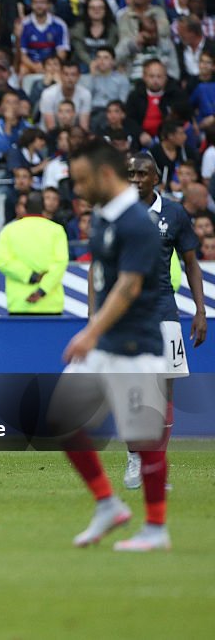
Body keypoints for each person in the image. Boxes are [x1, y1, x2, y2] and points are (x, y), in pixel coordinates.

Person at [50, 139, 171, 552]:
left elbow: (129, 286)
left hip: (136, 346)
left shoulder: (137, 222)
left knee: (144, 440)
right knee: (61, 417)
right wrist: (94, 328)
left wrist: (91, 331)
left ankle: (156, 528)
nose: (77, 189)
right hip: (104, 343)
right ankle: (107, 504)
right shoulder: (101, 216)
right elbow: (102, 281)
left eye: (82, 180)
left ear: (104, 174)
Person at [122, 152, 206, 491]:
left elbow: (191, 263)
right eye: (131, 173)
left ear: (157, 177)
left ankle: (155, 465)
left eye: (142, 173)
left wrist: (200, 311)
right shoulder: (116, 210)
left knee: (164, 388)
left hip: (164, 309)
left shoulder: (173, 213)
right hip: (126, 312)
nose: (136, 179)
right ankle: (133, 458)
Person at [0, 191, 69, 314]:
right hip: (51, 304)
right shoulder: (56, 230)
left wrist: (31, 276)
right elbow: (60, 263)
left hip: (19, 303)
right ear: (44, 207)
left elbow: (4, 262)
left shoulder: (8, 231)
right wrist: (42, 290)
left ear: (24, 208)